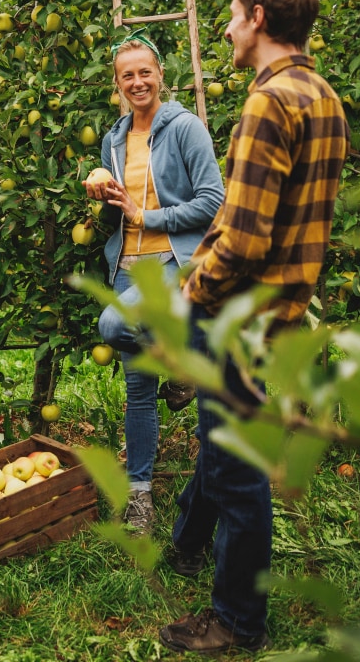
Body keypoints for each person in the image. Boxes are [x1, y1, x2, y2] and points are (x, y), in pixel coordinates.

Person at [159, 0, 349, 655]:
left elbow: (242, 238)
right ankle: (185, 545)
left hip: (236, 311)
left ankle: (236, 620)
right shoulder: (320, 93)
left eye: (235, 13)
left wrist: (192, 293)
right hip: (277, 308)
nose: (228, 27)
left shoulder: (270, 102)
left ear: (261, 20)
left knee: (238, 470)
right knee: (221, 440)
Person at [86, 28, 224, 536]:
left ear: (161, 75)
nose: (138, 81)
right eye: (128, 75)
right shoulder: (115, 139)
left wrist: (149, 218)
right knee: (138, 391)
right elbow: (124, 213)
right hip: (125, 267)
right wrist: (102, 199)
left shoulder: (185, 127)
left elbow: (214, 201)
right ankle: (140, 496)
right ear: (118, 83)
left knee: (111, 325)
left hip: (170, 262)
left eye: (145, 72)